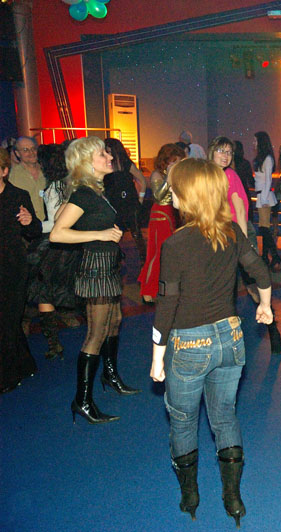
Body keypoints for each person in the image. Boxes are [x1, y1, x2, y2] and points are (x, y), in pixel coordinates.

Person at [148, 158, 273, 526]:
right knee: (224, 417)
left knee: (184, 422)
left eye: (175, 189)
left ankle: (190, 496)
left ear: (187, 195)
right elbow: (260, 270)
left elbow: (166, 304)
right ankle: (233, 498)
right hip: (231, 338)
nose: (171, 195)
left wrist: (157, 357)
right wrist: (265, 305)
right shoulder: (231, 231)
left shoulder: (176, 244)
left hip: (189, 345)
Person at [51, 136, 140, 425]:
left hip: (108, 265)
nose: (110, 157)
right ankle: (83, 400)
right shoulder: (84, 194)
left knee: (114, 322)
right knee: (96, 333)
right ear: (87, 162)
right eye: (103, 154)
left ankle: (110, 376)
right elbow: (57, 233)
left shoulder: (95, 191)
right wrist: (99, 234)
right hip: (96, 267)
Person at [210, 136, 281, 354]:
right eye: (221, 151)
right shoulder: (207, 176)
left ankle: (273, 328)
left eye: (229, 152)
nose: (225, 156)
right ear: (212, 152)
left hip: (238, 233)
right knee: (223, 286)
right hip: (218, 236)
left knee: (252, 285)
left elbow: (240, 210)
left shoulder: (230, 175)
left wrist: (242, 244)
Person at [28, 143, 81, 359]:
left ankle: (54, 344)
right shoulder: (73, 185)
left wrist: (33, 225)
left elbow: (55, 223)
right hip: (75, 244)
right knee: (73, 290)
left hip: (56, 247)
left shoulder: (54, 189)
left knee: (44, 293)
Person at [0, 147, 40, 394]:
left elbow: (34, 231)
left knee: (7, 319)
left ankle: (7, 376)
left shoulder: (18, 196)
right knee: (7, 321)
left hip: (12, 267)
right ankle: (25, 364)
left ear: (4, 171)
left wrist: (29, 221)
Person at [139, 143, 185, 303]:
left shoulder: (174, 175)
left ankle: (162, 288)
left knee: (170, 255)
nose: (177, 164)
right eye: (175, 161)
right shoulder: (157, 174)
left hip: (172, 215)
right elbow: (158, 196)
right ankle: (147, 290)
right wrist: (170, 177)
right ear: (167, 160)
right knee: (158, 253)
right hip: (160, 216)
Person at [103, 138, 147, 268]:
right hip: (114, 203)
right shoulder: (106, 165)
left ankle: (143, 259)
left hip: (129, 202)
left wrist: (140, 199)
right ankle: (116, 260)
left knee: (136, 232)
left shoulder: (125, 163)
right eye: (106, 151)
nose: (108, 154)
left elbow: (142, 180)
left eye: (109, 151)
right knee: (115, 233)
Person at [253, 131, 281, 270]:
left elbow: (268, 180)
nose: (254, 143)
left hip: (265, 197)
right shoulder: (261, 158)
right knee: (264, 228)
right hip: (262, 196)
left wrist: (263, 198)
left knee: (264, 228)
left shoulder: (268, 158)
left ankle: (274, 255)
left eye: (255, 141)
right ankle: (265, 256)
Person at [9, 136, 45, 223]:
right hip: (27, 226)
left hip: (50, 224)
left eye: (33, 148)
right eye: (25, 150)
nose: (31, 153)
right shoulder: (12, 176)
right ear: (17, 153)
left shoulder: (47, 171)